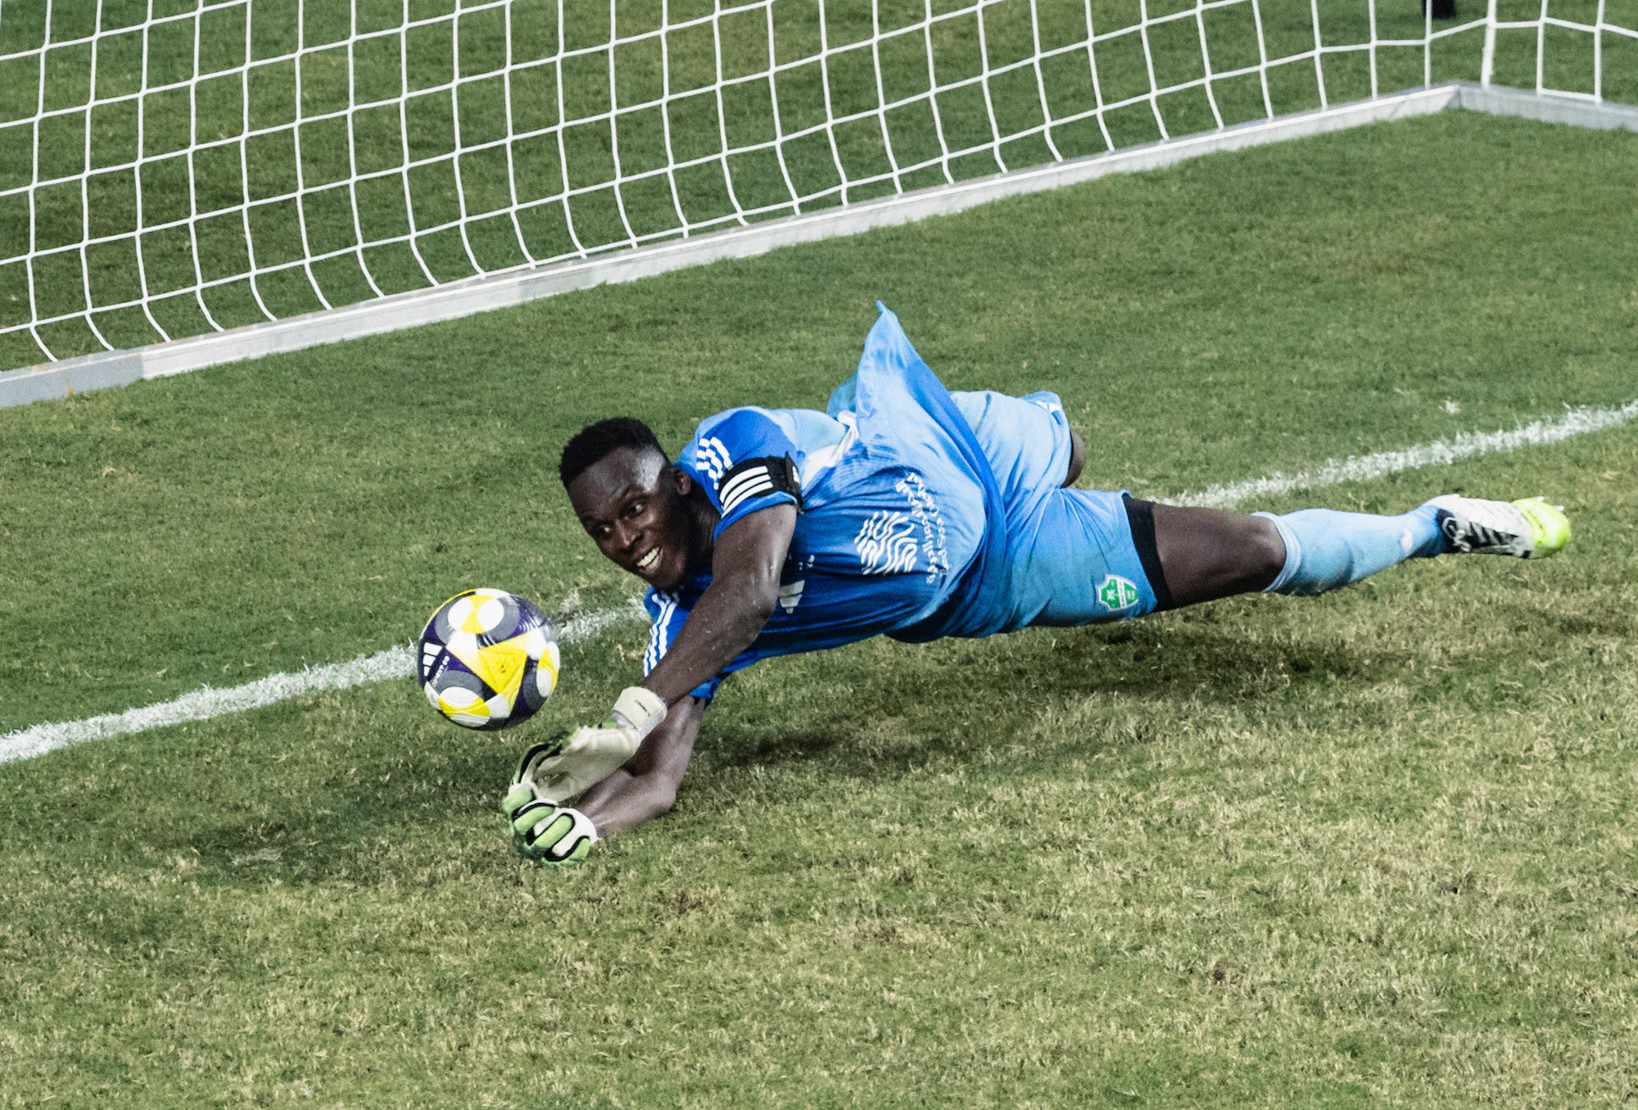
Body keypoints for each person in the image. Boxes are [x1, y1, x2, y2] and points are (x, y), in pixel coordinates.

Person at [502, 306, 1570, 866]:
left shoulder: (734, 450)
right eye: (601, 528)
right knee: (1252, 552)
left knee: (1069, 440)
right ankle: (1438, 525)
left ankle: (1427, 524)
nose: (621, 537)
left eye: (632, 507)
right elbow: (659, 777)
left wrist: (633, 706)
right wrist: (579, 814)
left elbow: (751, 583)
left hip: (947, 446)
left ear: (677, 482)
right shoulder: (675, 626)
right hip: (991, 577)